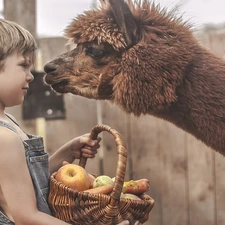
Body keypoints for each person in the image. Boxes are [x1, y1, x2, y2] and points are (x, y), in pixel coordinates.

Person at [0, 18, 141, 225]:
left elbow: (28, 181)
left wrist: (68, 152)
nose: (30, 77)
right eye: (23, 66)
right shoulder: (4, 138)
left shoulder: (8, 122)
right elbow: (27, 218)